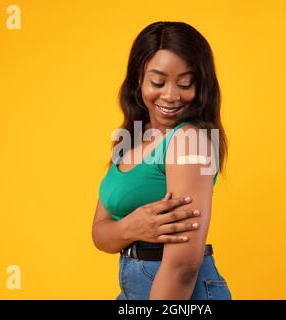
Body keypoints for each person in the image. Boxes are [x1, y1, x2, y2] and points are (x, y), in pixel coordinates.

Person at [92, 21, 231, 300]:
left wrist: (122, 232)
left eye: (185, 83)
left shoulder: (187, 140)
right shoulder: (130, 139)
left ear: (200, 86)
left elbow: (183, 266)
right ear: (138, 81)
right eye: (158, 82)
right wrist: (132, 226)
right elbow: (100, 233)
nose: (170, 95)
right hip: (134, 288)